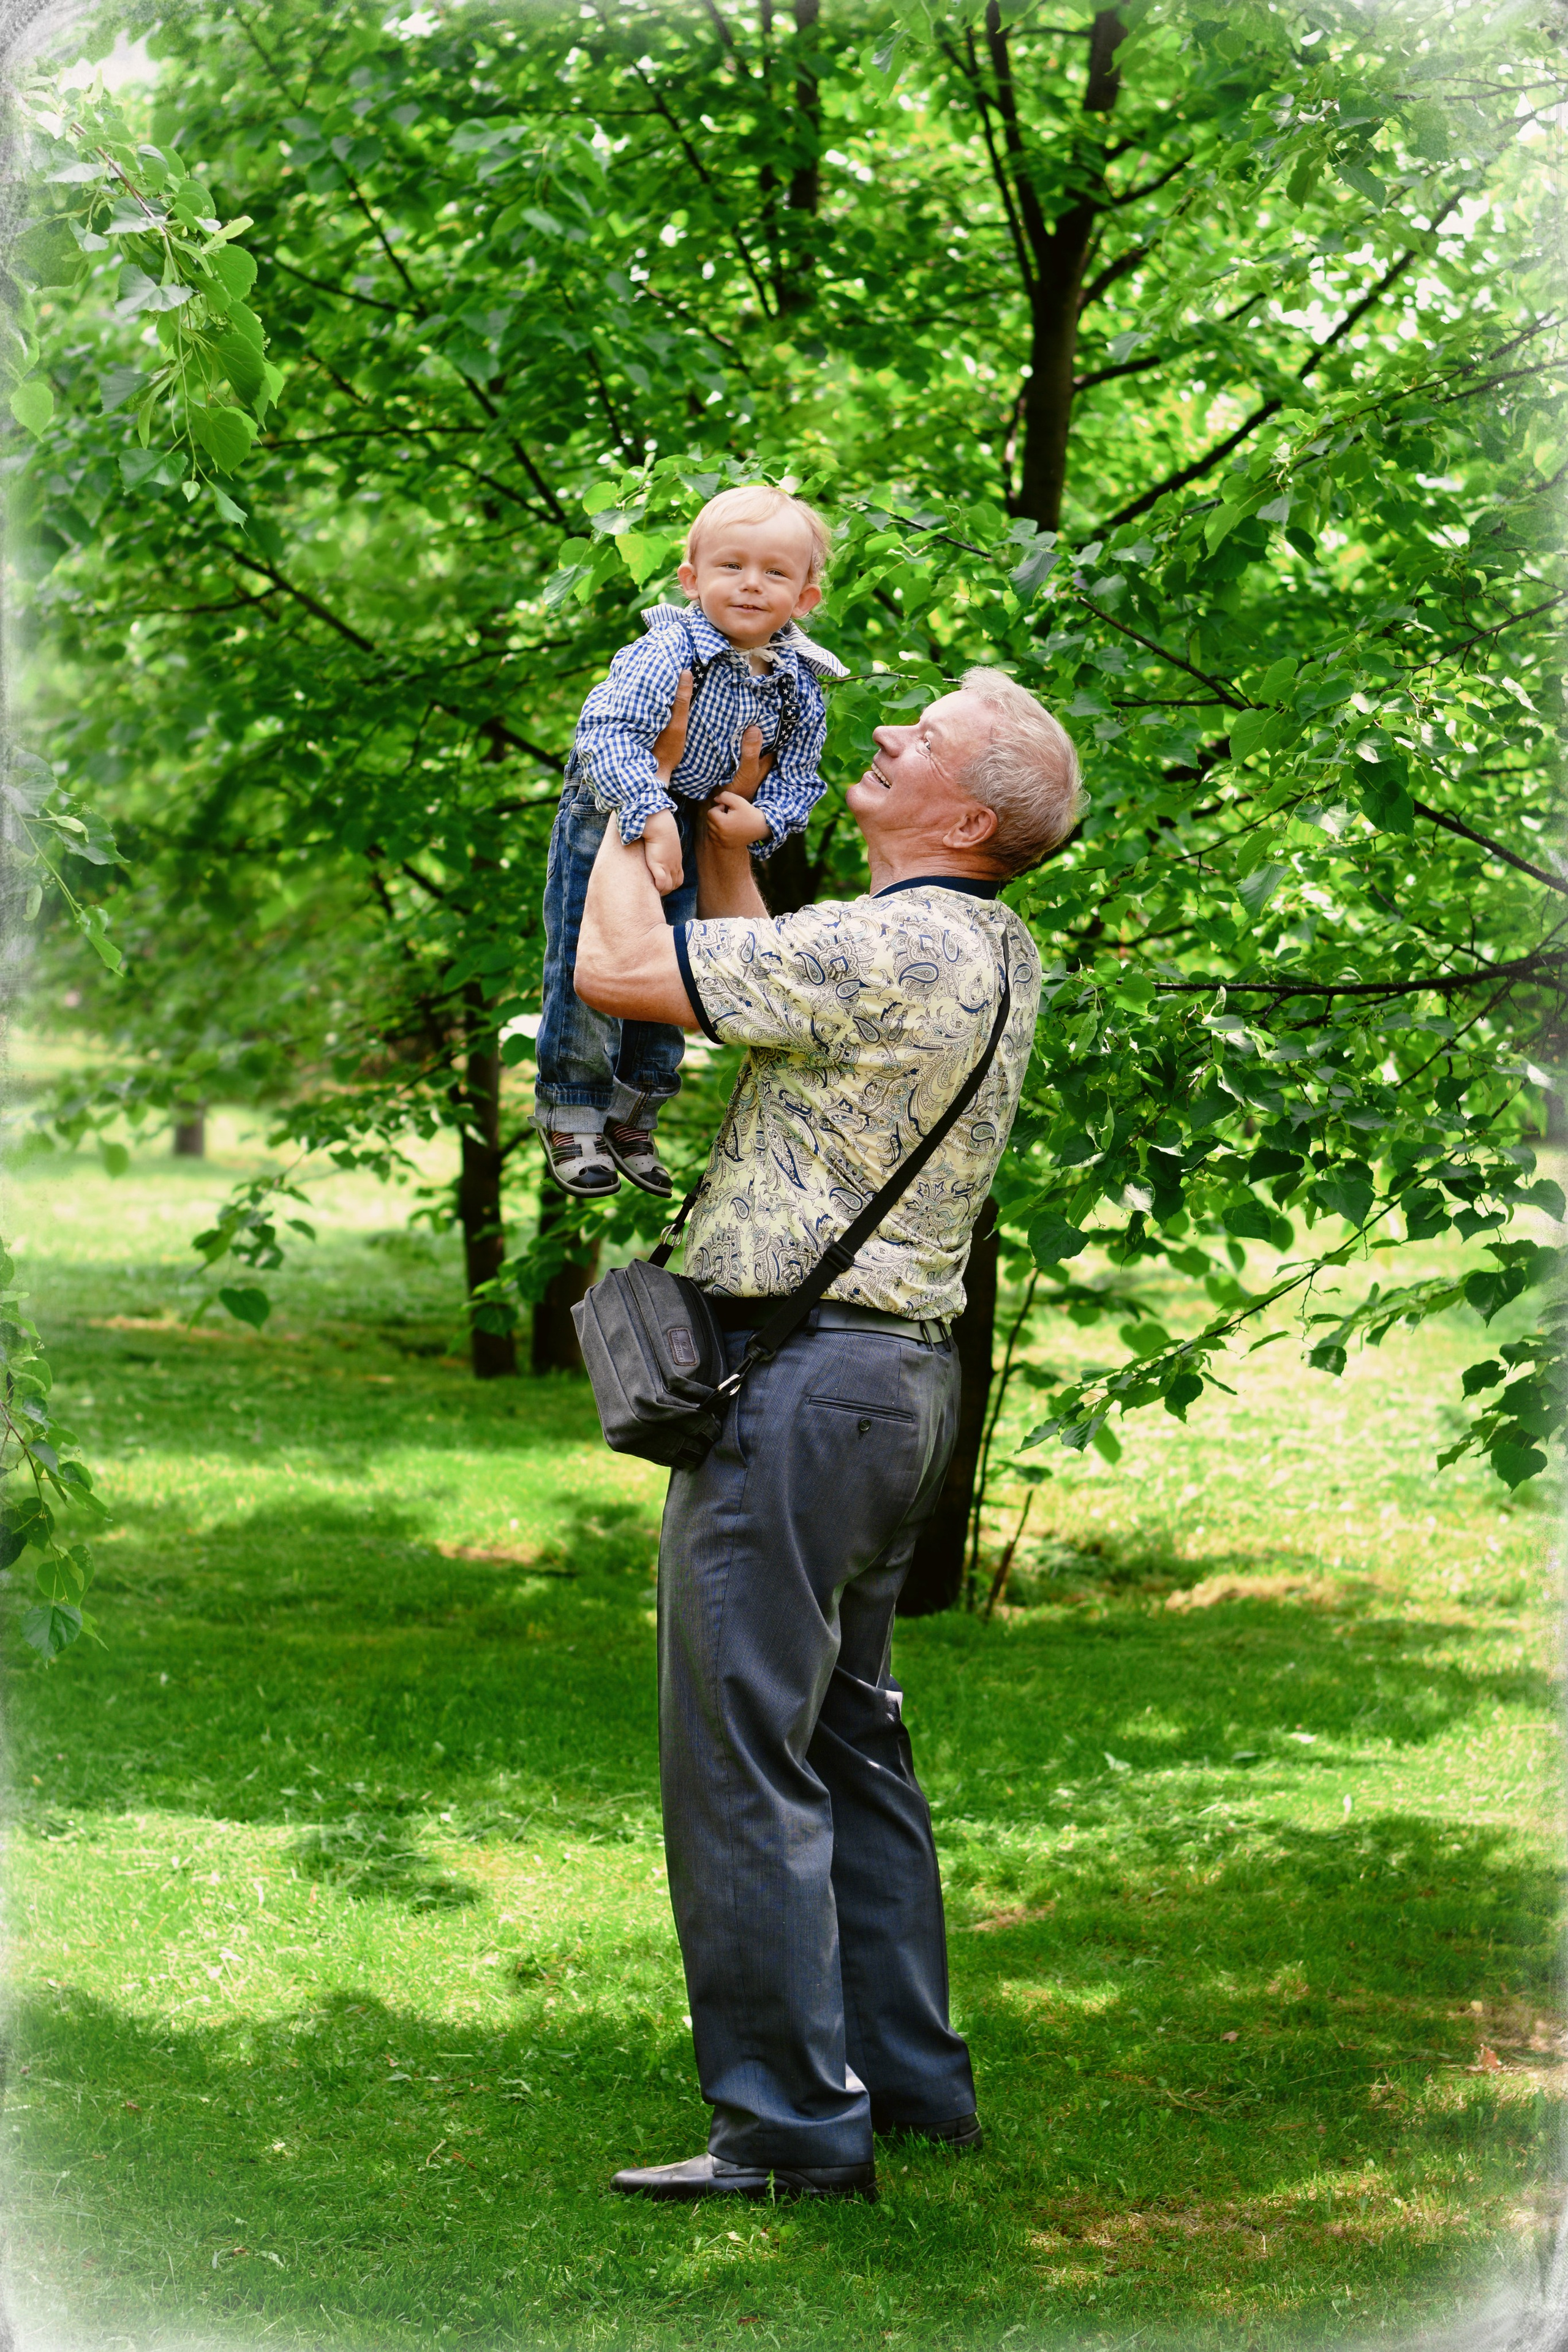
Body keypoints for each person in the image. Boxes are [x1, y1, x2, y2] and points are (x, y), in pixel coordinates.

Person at [573, 665, 1082, 2204]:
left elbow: (624, 974)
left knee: (740, 1752)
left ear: (966, 812)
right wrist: (729, 838)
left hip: (797, 1391)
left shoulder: (895, 939)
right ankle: (906, 2082)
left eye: (914, 736)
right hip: (884, 1385)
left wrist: (631, 796)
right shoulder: (978, 942)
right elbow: (762, 964)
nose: (876, 735)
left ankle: (788, 2128)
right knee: (848, 1736)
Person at [533, 483, 845, 1202]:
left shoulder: (799, 679)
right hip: (615, 802)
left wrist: (764, 821)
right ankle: (571, 1108)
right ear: (691, 579)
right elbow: (605, 734)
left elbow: (799, 772)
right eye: (730, 565)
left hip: (697, 813)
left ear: (803, 599)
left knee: (673, 967)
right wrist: (652, 812)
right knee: (591, 960)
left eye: (774, 573)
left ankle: (635, 1112)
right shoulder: (671, 649)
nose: (749, 584)